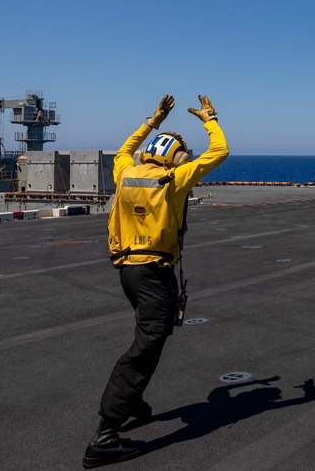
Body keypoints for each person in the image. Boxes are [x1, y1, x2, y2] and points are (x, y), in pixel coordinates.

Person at [83, 94, 229, 469]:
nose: (185, 157)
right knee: (145, 348)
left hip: (128, 274)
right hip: (153, 274)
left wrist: (153, 121)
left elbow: (122, 150)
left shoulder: (125, 171)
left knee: (149, 335)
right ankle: (106, 434)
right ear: (173, 156)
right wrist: (210, 119)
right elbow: (220, 151)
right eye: (182, 153)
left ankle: (133, 403)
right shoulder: (174, 179)